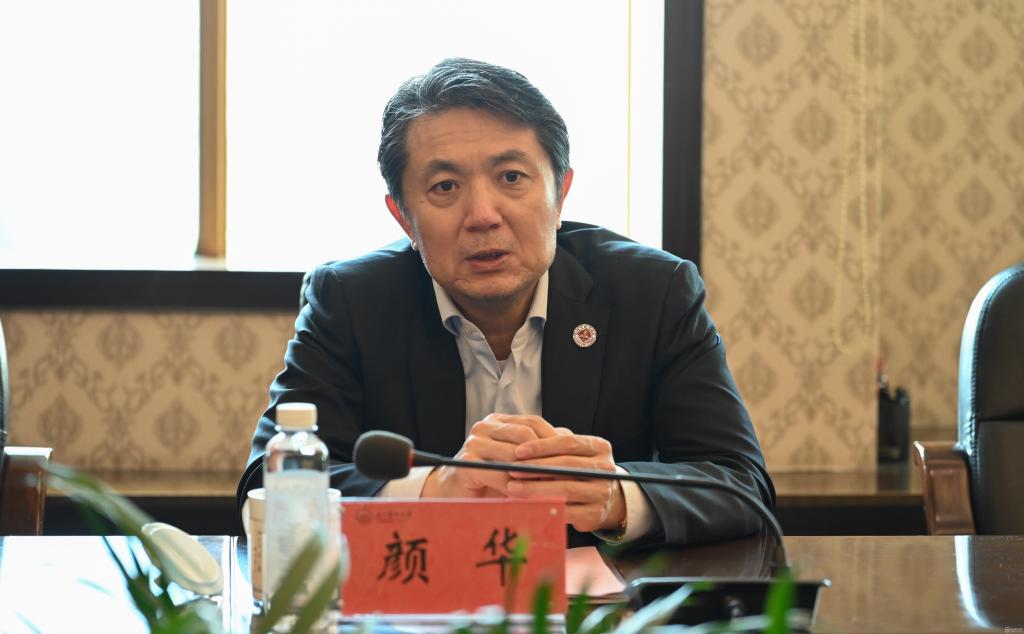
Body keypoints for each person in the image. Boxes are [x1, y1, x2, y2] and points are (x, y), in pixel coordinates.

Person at [238, 58, 774, 547]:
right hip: (416, 602)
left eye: (511, 178)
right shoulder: (351, 301)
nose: (482, 215)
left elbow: (740, 482)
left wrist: (617, 496)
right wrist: (433, 489)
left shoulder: (653, 292)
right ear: (403, 218)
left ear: (560, 195)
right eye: (445, 187)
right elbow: (269, 484)